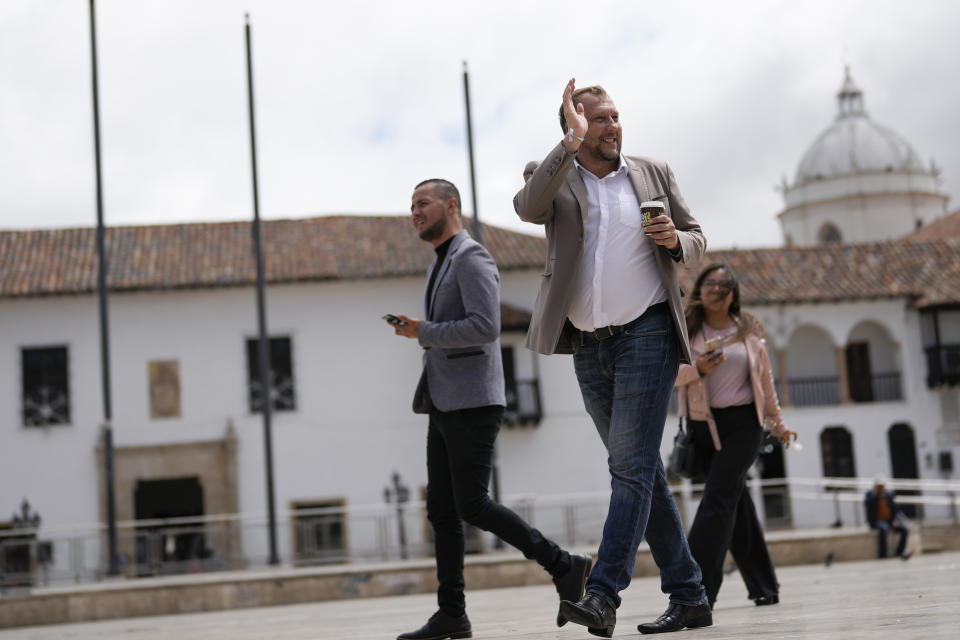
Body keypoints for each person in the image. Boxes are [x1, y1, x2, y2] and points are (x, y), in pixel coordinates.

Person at [514, 79, 711, 636]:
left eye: (614, 116)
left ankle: (602, 595)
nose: (611, 125)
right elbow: (528, 209)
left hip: (647, 332)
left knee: (627, 470)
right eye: (596, 119)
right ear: (574, 128)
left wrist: (676, 241)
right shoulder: (552, 174)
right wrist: (568, 147)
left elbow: (698, 237)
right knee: (641, 470)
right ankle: (690, 594)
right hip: (586, 344)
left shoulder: (652, 173)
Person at [389, 178, 591, 640]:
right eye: (411, 206)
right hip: (443, 400)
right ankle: (452, 615)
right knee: (441, 511)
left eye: (422, 203)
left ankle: (563, 564)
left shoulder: (472, 256)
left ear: (451, 205)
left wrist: (424, 332)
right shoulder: (440, 262)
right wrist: (422, 331)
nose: (414, 212)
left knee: (472, 504)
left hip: (474, 402)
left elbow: (485, 326)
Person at [674, 263, 797, 609]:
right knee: (735, 502)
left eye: (725, 285)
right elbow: (669, 374)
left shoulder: (750, 331)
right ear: (700, 290)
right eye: (710, 284)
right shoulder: (687, 329)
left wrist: (777, 423)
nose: (717, 289)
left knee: (717, 500)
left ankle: (694, 591)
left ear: (733, 295)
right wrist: (698, 369)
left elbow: (765, 382)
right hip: (703, 425)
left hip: (745, 425)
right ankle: (764, 585)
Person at [864, 474, 911, 559]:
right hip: (876, 521)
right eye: (879, 486)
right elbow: (868, 505)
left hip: (889, 521)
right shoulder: (870, 495)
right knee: (884, 528)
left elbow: (896, 509)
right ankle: (883, 554)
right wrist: (875, 494)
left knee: (905, 530)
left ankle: (899, 552)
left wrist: (894, 520)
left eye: (882, 486)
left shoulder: (888, 495)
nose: (881, 488)